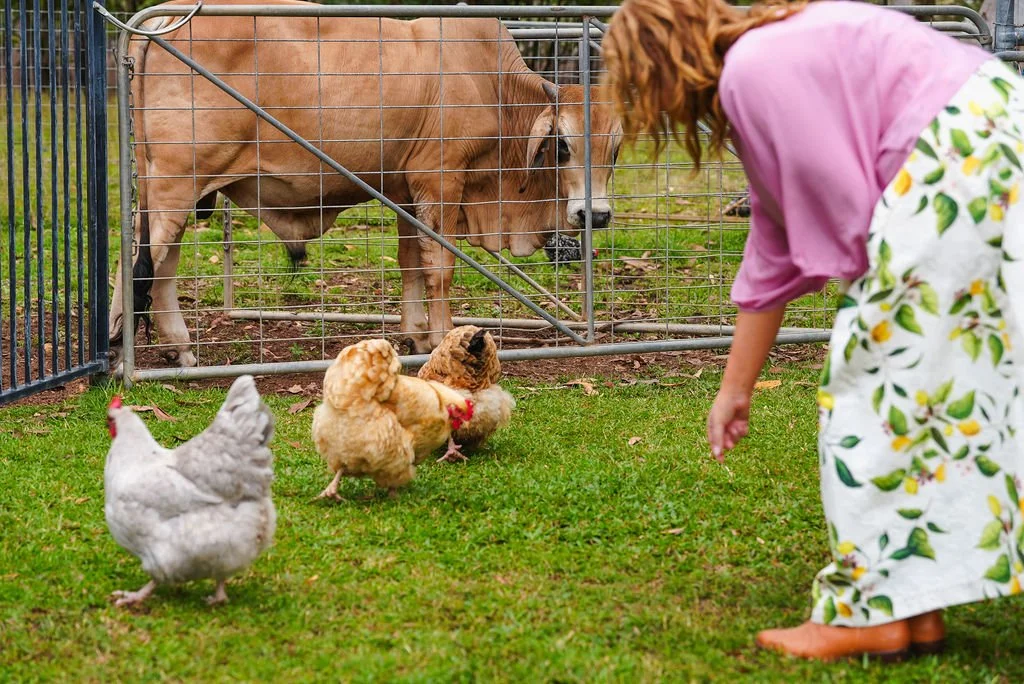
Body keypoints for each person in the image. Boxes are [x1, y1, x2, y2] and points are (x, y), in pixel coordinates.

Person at [604, 0, 1024, 662]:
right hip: (992, 140)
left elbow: (841, 199)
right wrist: (733, 389)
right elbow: (775, 242)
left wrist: (870, 314)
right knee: (925, 396)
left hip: (953, 158)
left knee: (871, 391)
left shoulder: (753, 69)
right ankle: (913, 606)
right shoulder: (778, 52)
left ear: (658, 63)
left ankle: (867, 614)